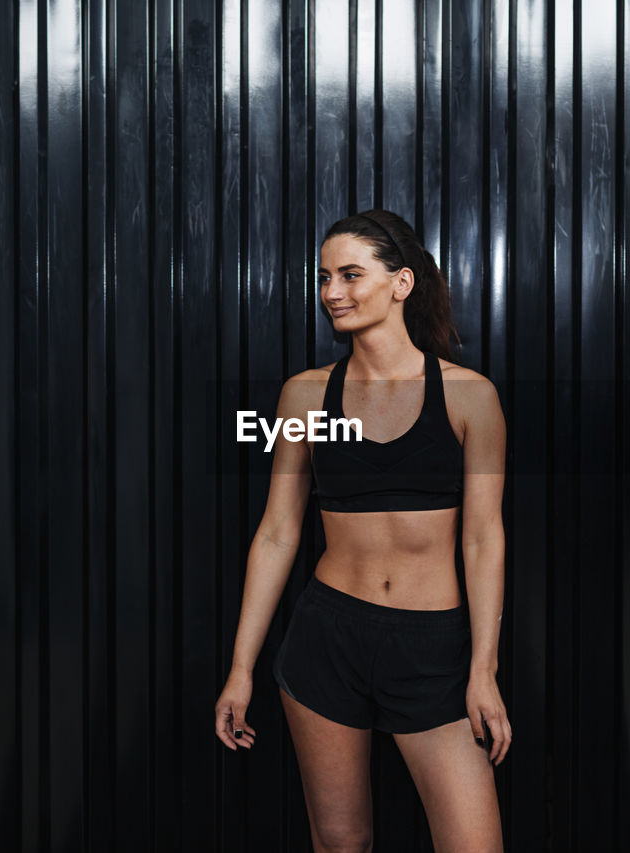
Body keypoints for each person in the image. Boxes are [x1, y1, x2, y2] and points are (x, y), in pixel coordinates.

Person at [213, 208, 511, 851]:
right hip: (327, 641)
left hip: (432, 648)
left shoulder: (469, 398)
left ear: (401, 283)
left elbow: (484, 538)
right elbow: (277, 533)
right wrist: (241, 667)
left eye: (350, 274)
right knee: (342, 843)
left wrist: (482, 668)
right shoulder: (305, 398)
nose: (332, 293)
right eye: (323, 278)